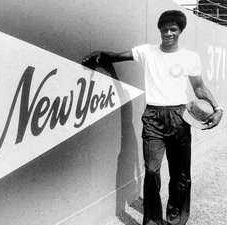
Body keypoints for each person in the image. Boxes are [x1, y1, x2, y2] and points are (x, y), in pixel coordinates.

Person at [82, 10, 223, 225]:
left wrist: (218, 108)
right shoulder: (147, 52)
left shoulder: (189, 57)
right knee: (151, 170)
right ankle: (152, 221)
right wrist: (101, 54)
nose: (168, 33)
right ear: (159, 30)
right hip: (153, 117)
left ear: (180, 31)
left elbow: (199, 88)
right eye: (164, 29)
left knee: (180, 173)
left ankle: (175, 218)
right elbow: (119, 56)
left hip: (180, 116)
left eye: (173, 29)